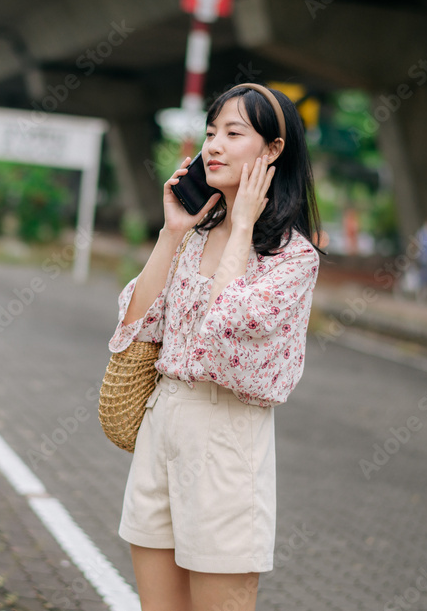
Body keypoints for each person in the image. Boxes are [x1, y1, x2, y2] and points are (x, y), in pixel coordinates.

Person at [108, 83, 323, 610]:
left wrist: (245, 225)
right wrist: (172, 232)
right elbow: (134, 327)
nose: (214, 147)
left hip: (226, 435)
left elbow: (225, 322)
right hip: (163, 422)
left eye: (233, 133)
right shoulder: (196, 238)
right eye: (210, 133)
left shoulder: (293, 259)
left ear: (273, 150)